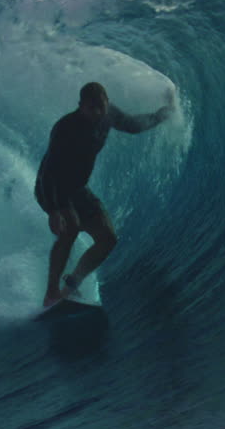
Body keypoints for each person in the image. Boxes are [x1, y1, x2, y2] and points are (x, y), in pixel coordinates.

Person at [34, 81, 175, 307]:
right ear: (81, 106)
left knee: (108, 239)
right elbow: (49, 173)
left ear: (107, 103)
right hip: (51, 188)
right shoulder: (65, 128)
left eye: (102, 106)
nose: (98, 112)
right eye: (92, 108)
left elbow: (133, 125)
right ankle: (51, 293)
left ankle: (71, 285)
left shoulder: (108, 115)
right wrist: (54, 211)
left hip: (77, 189)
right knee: (70, 229)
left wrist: (162, 114)